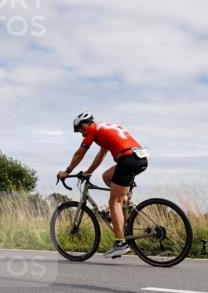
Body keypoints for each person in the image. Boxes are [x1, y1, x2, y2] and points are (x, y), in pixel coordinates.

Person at [56, 111, 148, 258]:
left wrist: (67, 171)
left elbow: (80, 153)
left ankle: (120, 243)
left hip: (128, 160)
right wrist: (88, 172)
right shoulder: (105, 129)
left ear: (85, 124)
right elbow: (100, 156)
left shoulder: (92, 130)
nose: (82, 135)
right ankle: (125, 207)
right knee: (107, 177)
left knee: (113, 202)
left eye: (80, 130)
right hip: (140, 159)